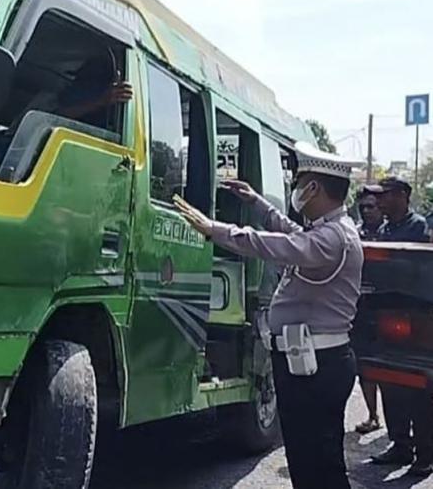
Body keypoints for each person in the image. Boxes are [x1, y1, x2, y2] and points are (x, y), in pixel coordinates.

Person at [174, 141, 362, 489]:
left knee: (319, 464)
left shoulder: (334, 239)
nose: (295, 189)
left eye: (299, 181)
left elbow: (274, 244)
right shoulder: (329, 230)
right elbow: (291, 232)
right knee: (308, 461)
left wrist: (214, 229)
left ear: (313, 187)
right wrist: (255, 201)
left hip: (316, 367)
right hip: (307, 363)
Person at [366, 176, 433, 476]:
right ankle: (400, 445)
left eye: (386, 195)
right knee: (389, 381)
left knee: (419, 386)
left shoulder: (419, 228)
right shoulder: (383, 230)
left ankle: (425, 452)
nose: (379, 201)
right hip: (385, 317)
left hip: (416, 318)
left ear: (404, 196)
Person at [353, 189, 383, 434]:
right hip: (361, 309)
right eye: (363, 207)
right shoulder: (355, 232)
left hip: (388, 309)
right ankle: (373, 415)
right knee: (364, 367)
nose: (367, 211)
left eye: (371, 206)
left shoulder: (391, 232)